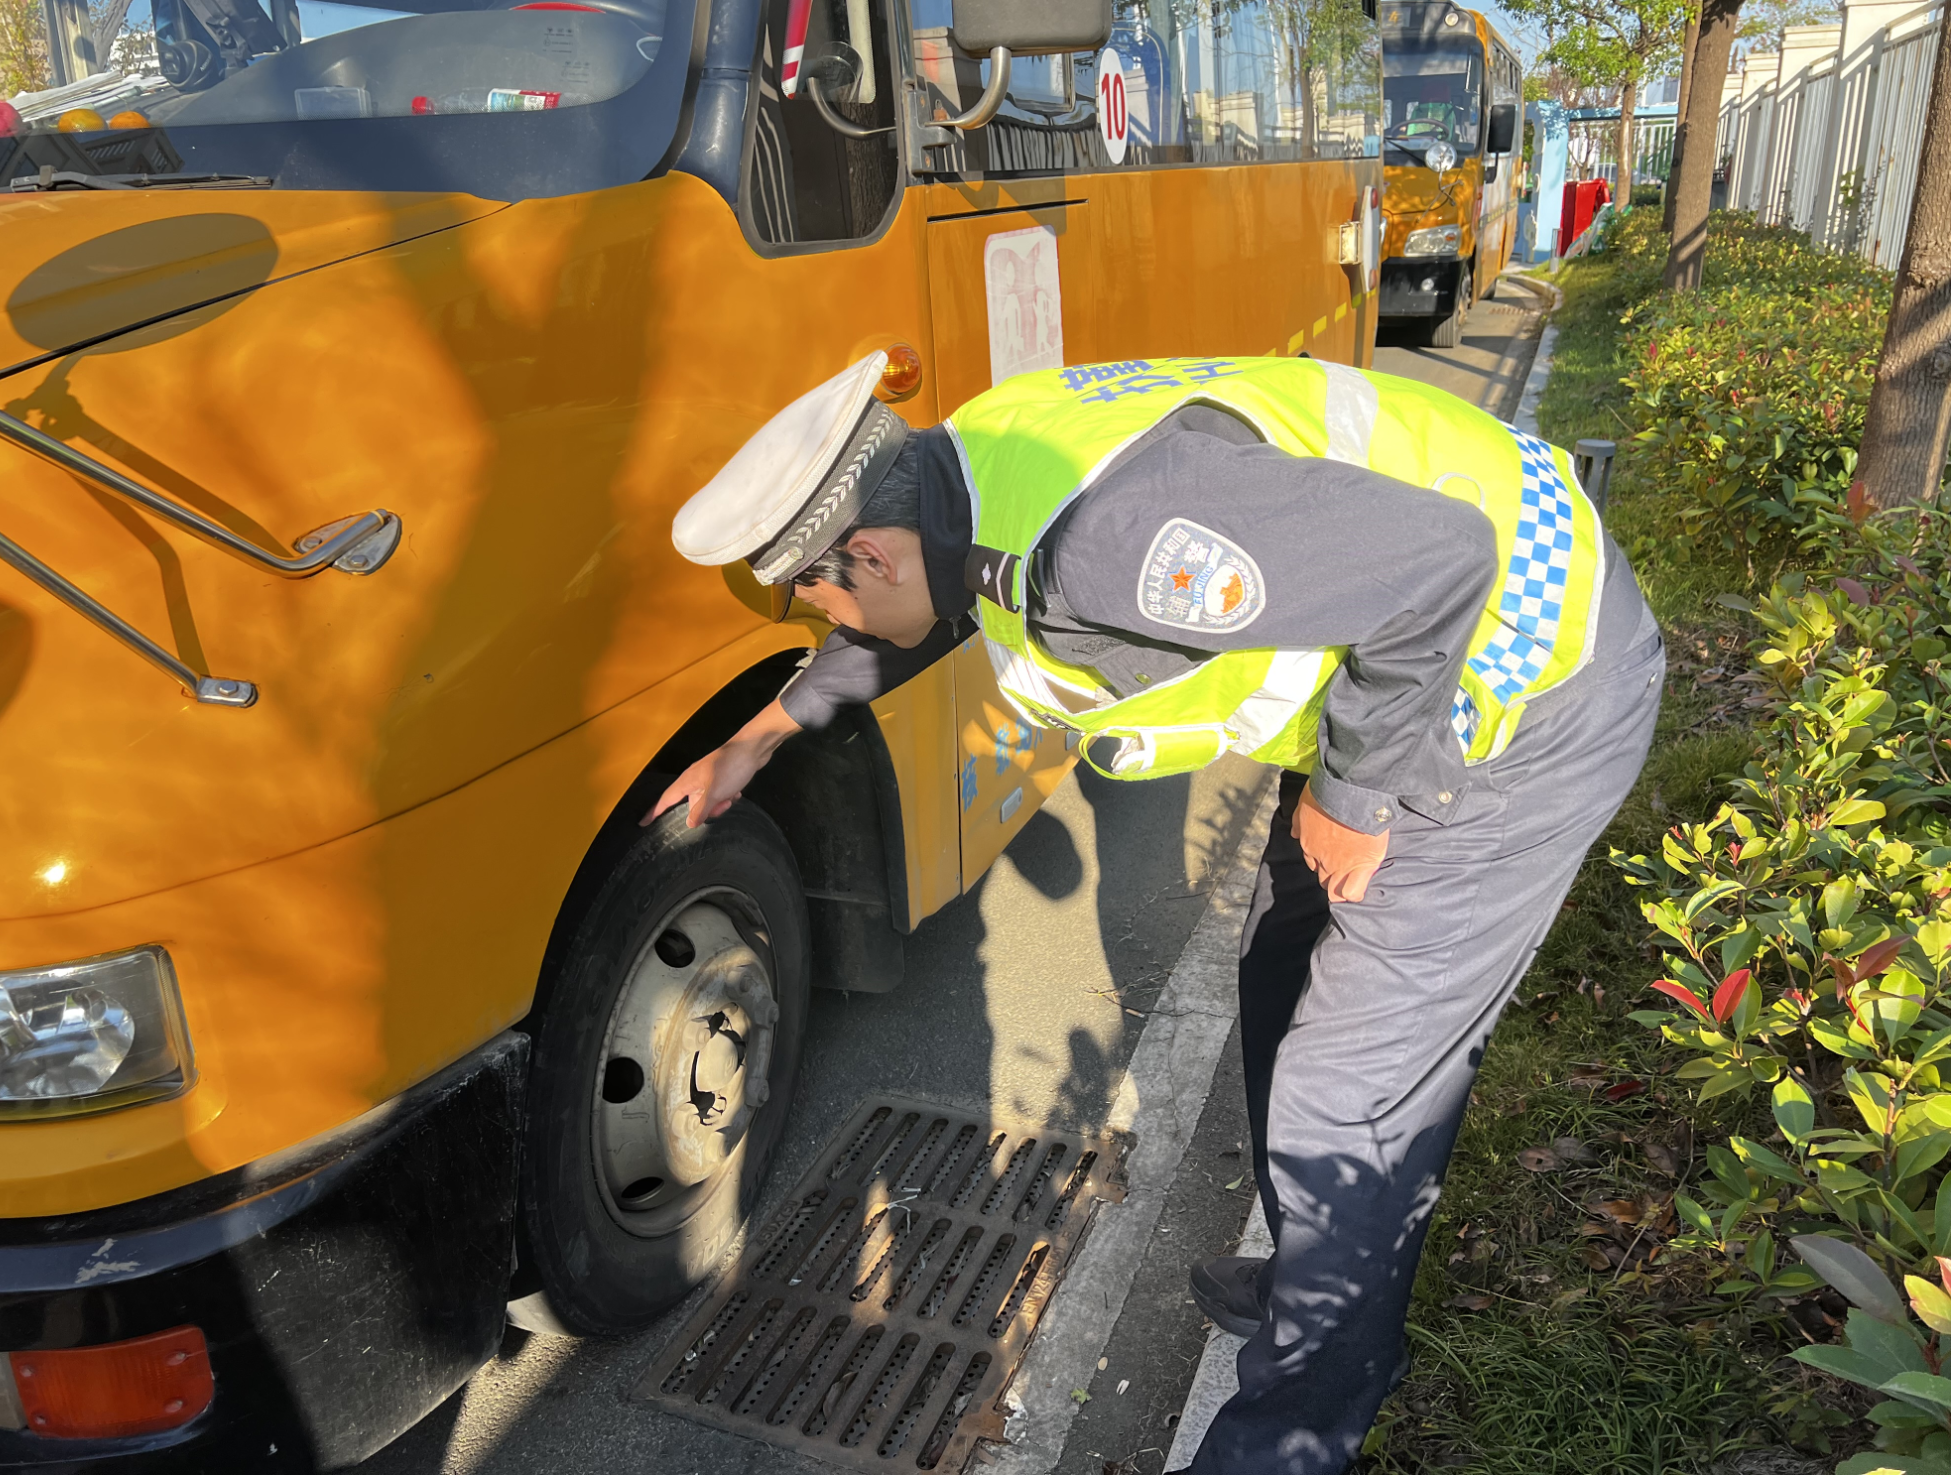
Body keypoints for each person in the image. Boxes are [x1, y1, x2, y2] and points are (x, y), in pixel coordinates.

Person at [656, 350, 1661, 1474]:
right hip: (1409, 677)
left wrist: (1353, 793)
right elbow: (903, 621)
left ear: (874, 549)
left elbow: (1439, 564)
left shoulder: (1107, 543)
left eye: (818, 592)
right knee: (1279, 965)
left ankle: (1290, 1433)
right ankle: (1313, 1276)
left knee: (1351, 1093)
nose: (825, 617)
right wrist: (756, 740)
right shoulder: (962, 479)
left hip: (1521, 704)